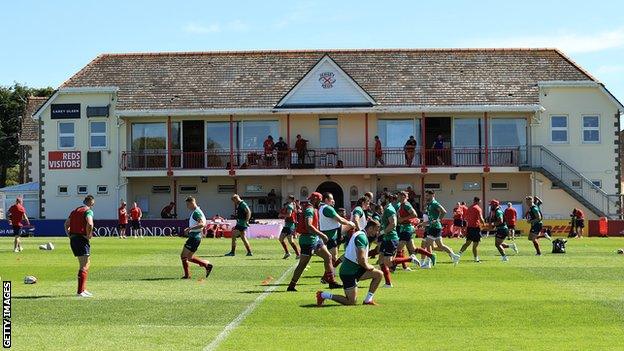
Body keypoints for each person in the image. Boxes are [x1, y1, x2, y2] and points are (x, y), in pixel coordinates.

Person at [316, 220, 383, 306]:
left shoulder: (360, 234)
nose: (377, 233)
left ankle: (368, 300)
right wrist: (369, 266)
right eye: (376, 230)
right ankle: (323, 295)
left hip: (355, 269)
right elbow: (361, 260)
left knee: (379, 274)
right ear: (370, 228)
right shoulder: (362, 237)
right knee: (351, 302)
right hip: (348, 272)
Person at [287, 192, 342, 291]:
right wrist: (322, 234)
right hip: (308, 240)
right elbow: (308, 226)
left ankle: (331, 282)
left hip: (314, 239)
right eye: (320, 200)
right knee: (303, 264)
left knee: (328, 256)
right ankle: (291, 285)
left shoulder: (313, 208)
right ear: (316, 200)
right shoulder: (310, 210)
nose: (320, 203)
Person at [378, 195, 419, 287]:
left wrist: (381, 232)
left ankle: (410, 259)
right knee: (381, 260)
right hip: (386, 238)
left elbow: (393, 224)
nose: (380, 200)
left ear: (388, 199)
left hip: (391, 238)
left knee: (387, 261)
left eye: (382, 198)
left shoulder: (389, 209)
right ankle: (388, 283)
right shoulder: (387, 208)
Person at [64, 195, 96, 298]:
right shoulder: (88, 211)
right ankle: (80, 291)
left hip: (74, 238)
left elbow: (66, 224)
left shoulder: (75, 211)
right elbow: (90, 224)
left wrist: (70, 235)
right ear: (90, 202)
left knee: (85, 263)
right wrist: (88, 235)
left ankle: (83, 289)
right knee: (84, 264)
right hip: (81, 238)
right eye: (93, 203)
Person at [396, 191, 436, 269]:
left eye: (399, 196)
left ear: (403, 197)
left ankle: (393, 266)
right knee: (412, 250)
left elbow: (414, 214)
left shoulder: (406, 205)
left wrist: (403, 219)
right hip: (405, 228)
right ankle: (430, 255)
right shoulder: (402, 205)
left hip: (406, 229)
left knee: (398, 248)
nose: (398, 198)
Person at [421, 190, 460, 267]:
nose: (426, 197)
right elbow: (432, 218)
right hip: (434, 227)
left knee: (427, 244)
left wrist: (438, 220)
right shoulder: (429, 204)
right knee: (440, 245)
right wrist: (424, 223)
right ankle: (454, 256)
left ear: (433, 195)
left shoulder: (435, 203)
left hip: (434, 228)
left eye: (427, 196)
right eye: (426, 196)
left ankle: (428, 263)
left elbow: (443, 211)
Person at [319, 193, 355, 268]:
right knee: (333, 257)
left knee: (331, 257)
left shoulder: (323, 207)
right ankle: (329, 275)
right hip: (330, 235)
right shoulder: (327, 208)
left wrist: (350, 225)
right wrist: (350, 223)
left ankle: (329, 274)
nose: (333, 201)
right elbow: (340, 220)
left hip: (333, 232)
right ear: (326, 200)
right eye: (331, 199)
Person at [180, 196, 213, 279]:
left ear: (191, 203)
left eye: (187, 204)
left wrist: (190, 228)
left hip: (194, 237)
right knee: (189, 257)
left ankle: (187, 276)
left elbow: (202, 224)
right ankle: (206, 265)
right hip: (197, 237)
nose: (187, 206)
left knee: (183, 256)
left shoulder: (196, 212)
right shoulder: (198, 211)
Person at [458, 197, 486, 262]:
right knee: (475, 245)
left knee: (467, 243)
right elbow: (481, 219)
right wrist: (484, 224)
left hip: (469, 228)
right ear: (478, 201)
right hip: (476, 228)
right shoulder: (478, 208)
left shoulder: (469, 208)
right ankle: (476, 259)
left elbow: (466, 218)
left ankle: (458, 255)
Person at [278, 195, 300, 259]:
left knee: (290, 241)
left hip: (289, 226)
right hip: (288, 225)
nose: (286, 199)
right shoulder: (291, 205)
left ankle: (297, 254)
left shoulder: (290, 206)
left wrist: (281, 215)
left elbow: (289, 215)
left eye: (288, 198)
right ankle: (288, 253)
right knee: (281, 239)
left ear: (291, 199)